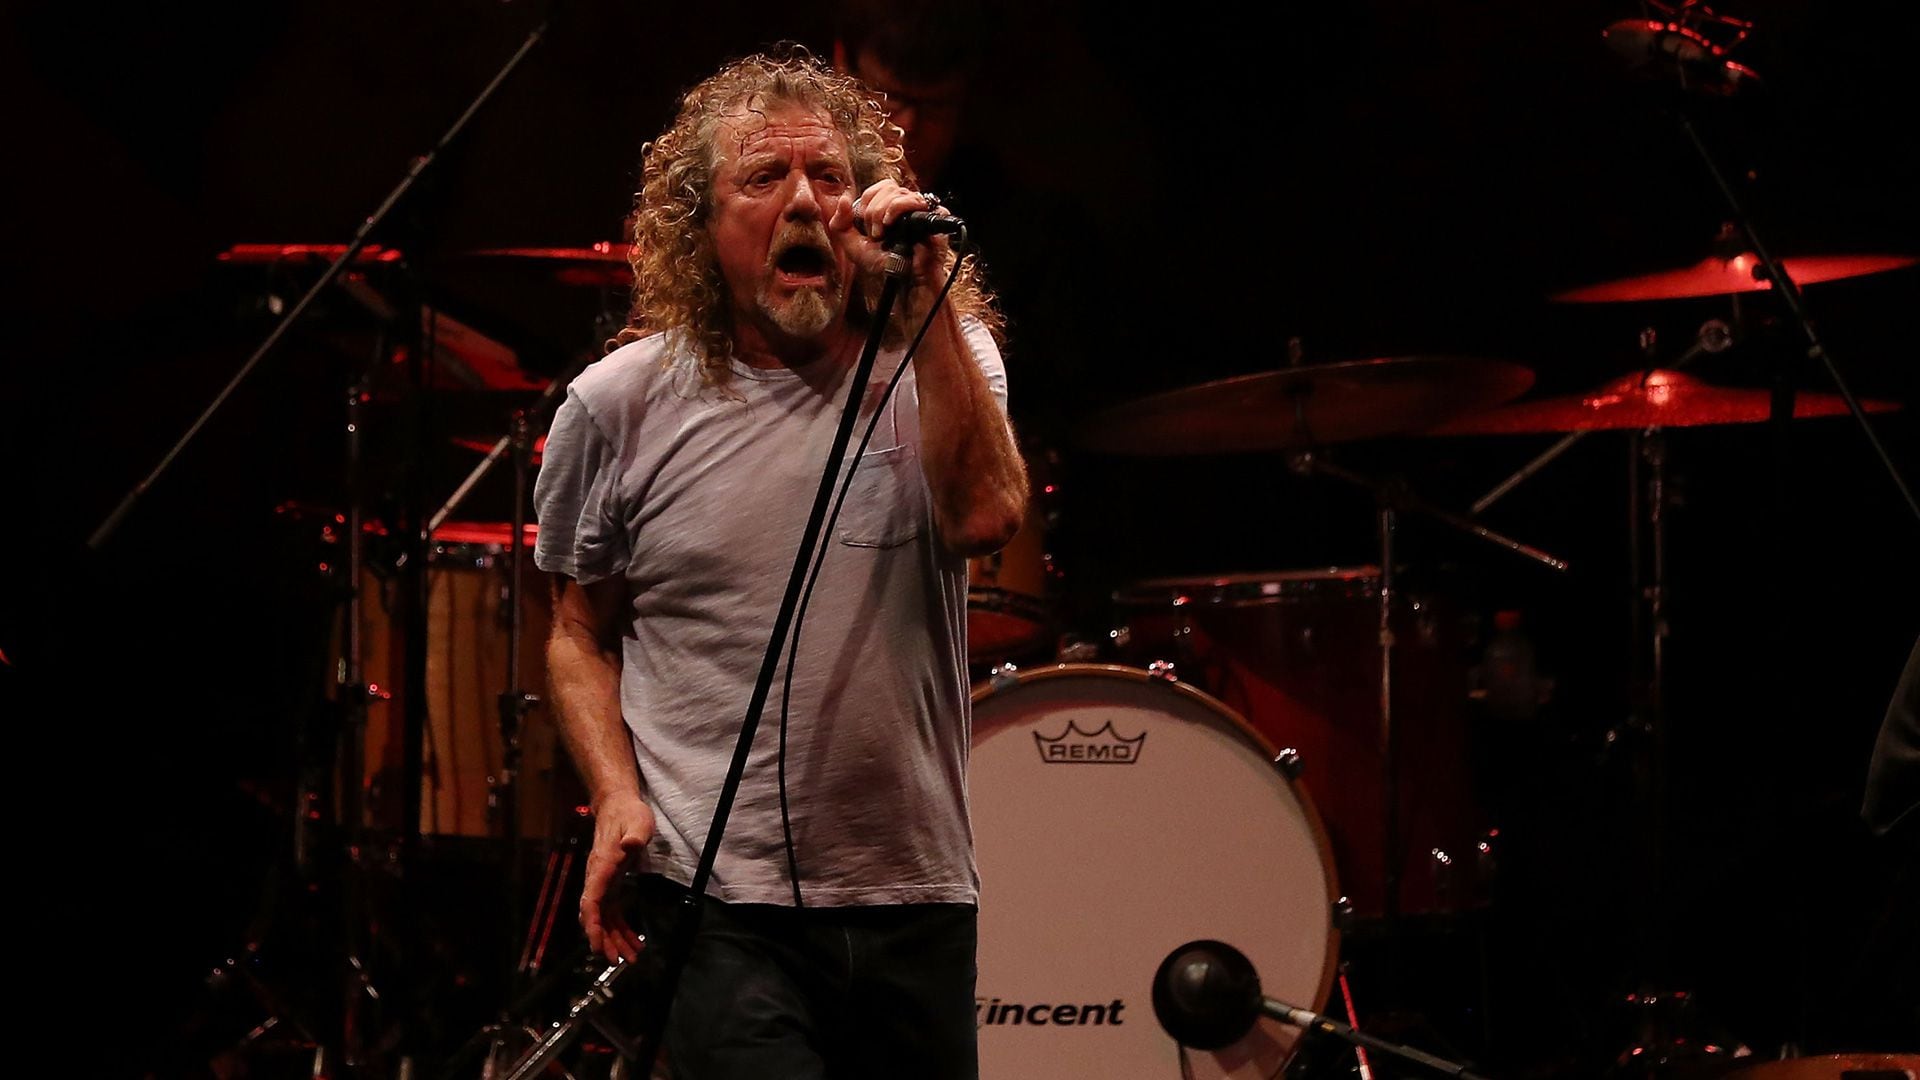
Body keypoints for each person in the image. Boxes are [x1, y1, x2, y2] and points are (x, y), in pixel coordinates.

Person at [532, 51, 1027, 1079]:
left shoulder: (947, 357)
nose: (805, 200)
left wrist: (926, 297)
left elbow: (987, 517)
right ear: (700, 229)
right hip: (715, 899)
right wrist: (617, 795)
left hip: (916, 888)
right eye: (763, 180)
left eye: (831, 177)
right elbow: (579, 634)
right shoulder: (618, 405)